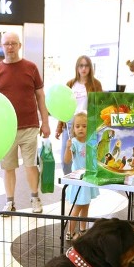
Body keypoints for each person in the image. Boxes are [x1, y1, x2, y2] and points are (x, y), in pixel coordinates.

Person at [0, 31, 50, 214]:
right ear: (2, 46)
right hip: (6, 130)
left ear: (20, 45)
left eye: (14, 43)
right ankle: (10, 201)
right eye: (7, 44)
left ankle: (35, 198)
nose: (10, 47)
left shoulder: (31, 68)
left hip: (30, 125)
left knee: (31, 165)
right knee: (8, 167)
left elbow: (40, 96)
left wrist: (45, 122)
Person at [54, 55, 103, 173]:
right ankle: (69, 184)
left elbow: (100, 106)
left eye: (86, 65)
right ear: (77, 68)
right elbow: (63, 107)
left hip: (87, 125)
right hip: (70, 125)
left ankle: (84, 185)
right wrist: (59, 126)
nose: (83, 69)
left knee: (84, 156)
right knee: (66, 157)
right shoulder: (70, 84)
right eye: (81, 65)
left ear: (90, 68)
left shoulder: (96, 84)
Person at [62, 112, 97, 240]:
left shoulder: (91, 142)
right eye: (77, 126)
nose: (81, 128)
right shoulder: (74, 143)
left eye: (84, 126)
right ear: (74, 129)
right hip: (78, 180)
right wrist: (67, 148)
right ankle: (69, 233)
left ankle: (82, 229)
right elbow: (66, 160)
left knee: (86, 204)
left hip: (88, 177)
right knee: (77, 206)